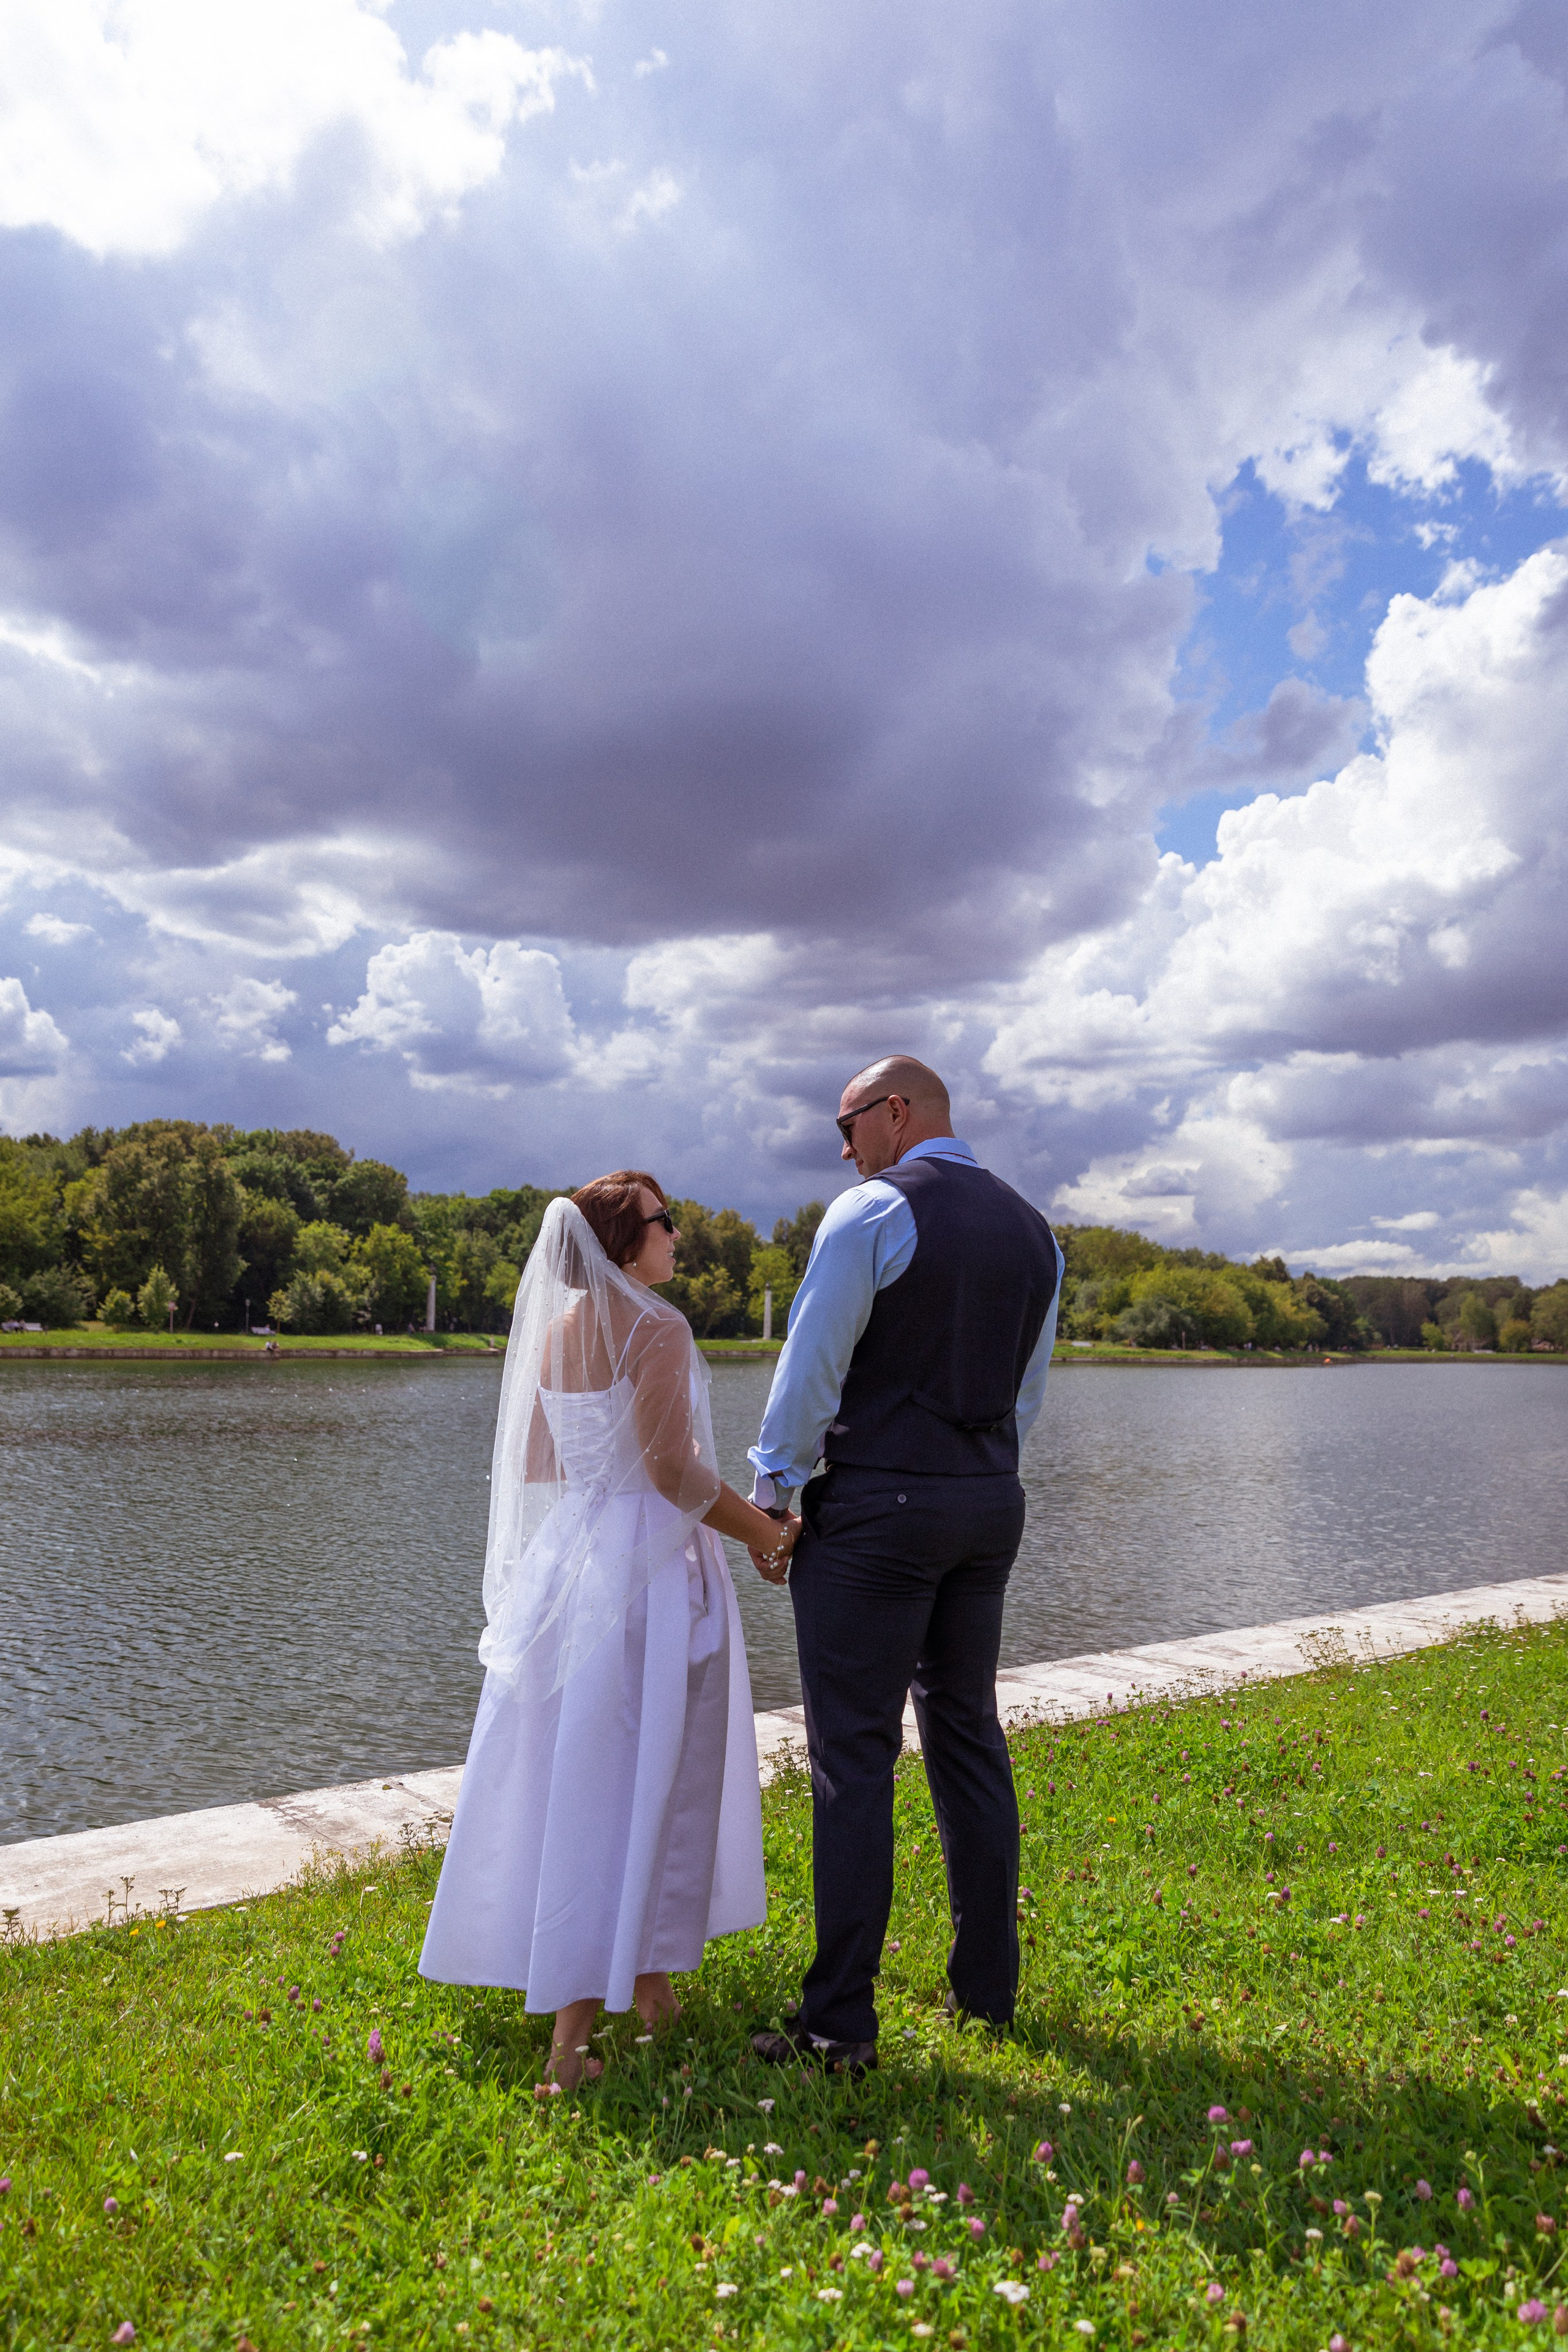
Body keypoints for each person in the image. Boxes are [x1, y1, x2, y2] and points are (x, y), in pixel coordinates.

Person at [420, 1172, 799, 2089]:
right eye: (667, 1223)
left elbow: (543, 1459)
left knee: (595, 1777)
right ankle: (571, 2045)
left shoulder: (556, 1335)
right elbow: (670, 1471)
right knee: (640, 1776)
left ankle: (652, 1986)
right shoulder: (657, 1328)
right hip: (649, 1575)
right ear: (627, 1241)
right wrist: (767, 1534)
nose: (679, 1238)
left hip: (574, 1564)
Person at [747, 1058, 1062, 2074]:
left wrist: (774, 1492)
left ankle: (837, 2024)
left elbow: (812, 1367)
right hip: (987, 1502)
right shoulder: (1035, 1231)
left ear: (895, 1113)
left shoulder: (873, 1212)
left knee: (854, 1759)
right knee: (968, 1733)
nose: (844, 1151)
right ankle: (990, 1994)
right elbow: (1027, 1395)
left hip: (880, 1509)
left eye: (848, 1125)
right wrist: (979, 1471)